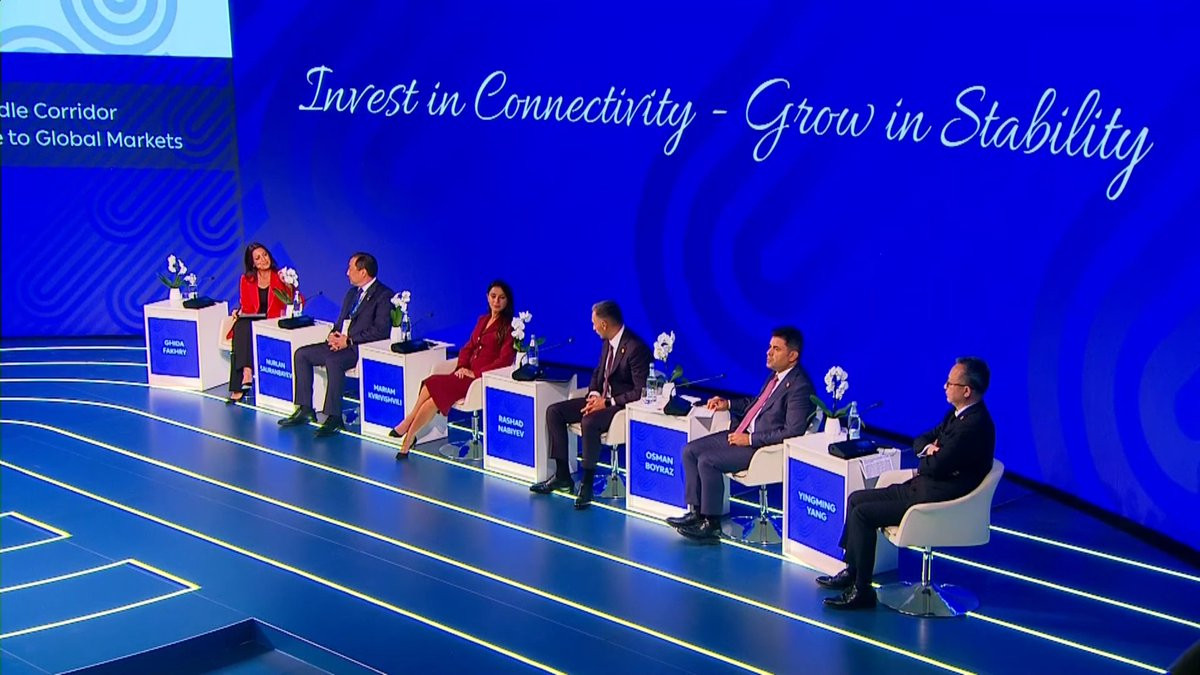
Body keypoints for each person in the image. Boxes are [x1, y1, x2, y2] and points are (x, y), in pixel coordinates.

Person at [818, 356, 995, 610]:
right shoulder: (956, 415)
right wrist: (929, 450)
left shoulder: (974, 426)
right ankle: (852, 571)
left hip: (937, 498)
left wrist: (929, 457)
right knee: (856, 498)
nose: (944, 387)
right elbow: (921, 440)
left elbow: (935, 466)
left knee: (864, 515)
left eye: (950, 383)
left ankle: (862, 591)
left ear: (966, 391)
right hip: (923, 486)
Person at [668, 327, 815, 541]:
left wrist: (750, 439)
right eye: (769, 347)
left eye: (776, 349)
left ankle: (711, 523)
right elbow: (755, 405)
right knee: (690, 450)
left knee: (708, 461)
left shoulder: (800, 387)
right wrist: (727, 404)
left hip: (761, 447)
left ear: (793, 355)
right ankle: (696, 513)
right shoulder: (775, 378)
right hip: (742, 433)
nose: (768, 352)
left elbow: (793, 431)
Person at [529, 300, 650, 510]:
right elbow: (598, 372)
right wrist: (594, 394)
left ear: (604, 324)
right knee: (554, 412)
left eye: (594, 323)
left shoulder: (635, 348)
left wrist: (607, 402)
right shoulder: (608, 342)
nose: (593, 328)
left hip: (619, 406)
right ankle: (562, 475)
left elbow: (640, 391)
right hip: (601, 400)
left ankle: (587, 483)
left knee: (589, 422)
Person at [389, 280, 517, 459]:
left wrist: (475, 373)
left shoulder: (510, 327)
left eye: (501, 298)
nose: (496, 301)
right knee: (431, 387)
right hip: (463, 373)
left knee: (433, 391)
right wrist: (463, 366)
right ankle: (409, 434)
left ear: (507, 301)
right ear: (487, 297)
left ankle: (408, 431)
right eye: (493, 296)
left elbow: (504, 361)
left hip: (478, 379)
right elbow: (468, 347)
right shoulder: (483, 320)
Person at [278, 252, 393, 437]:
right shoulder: (352, 293)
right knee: (302, 354)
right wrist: (333, 335)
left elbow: (380, 330)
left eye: (350, 268)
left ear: (363, 272)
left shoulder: (384, 295)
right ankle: (305, 409)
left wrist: (349, 340)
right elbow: (341, 321)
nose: (347, 273)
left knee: (333, 361)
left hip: (359, 348)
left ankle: (334, 417)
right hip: (341, 342)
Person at [225, 243, 293, 404]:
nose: (263, 260)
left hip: (272, 321)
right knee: (242, 326)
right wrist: (240, 311)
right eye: (258, 258)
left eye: (265, 255)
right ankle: (247, 373)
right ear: (253, 263)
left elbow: (294, 301)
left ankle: (242, 381)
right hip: (253, 319)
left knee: (244, 328)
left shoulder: (280, 276)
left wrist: (289, 286)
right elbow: (246, 305)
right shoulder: (246, 280)